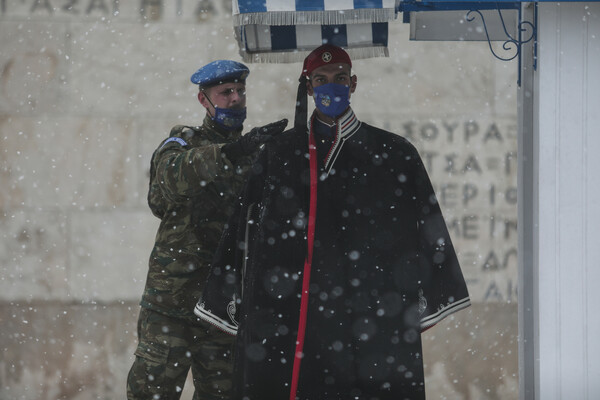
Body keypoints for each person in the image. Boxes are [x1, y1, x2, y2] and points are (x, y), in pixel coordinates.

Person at [195, 45, 470, 400]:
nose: (331, 87)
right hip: (290, 310)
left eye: (339, 78)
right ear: (308, 88)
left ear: (353, 83)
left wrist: (424, 293)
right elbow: (243, 228)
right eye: (320, 80)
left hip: (369, 308)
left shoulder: (393, 153)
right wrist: (229, 294)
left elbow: (427, 228)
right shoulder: (279, 153)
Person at [127, 59, 287, 400]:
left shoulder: (256, 157)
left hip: (223, 309)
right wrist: (233, 151)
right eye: (225, 92)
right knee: (151, 393)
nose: (235, 98)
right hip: (173, 306)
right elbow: (170, 183)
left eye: (240, 92)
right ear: (204, 100)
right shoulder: (182, 143)